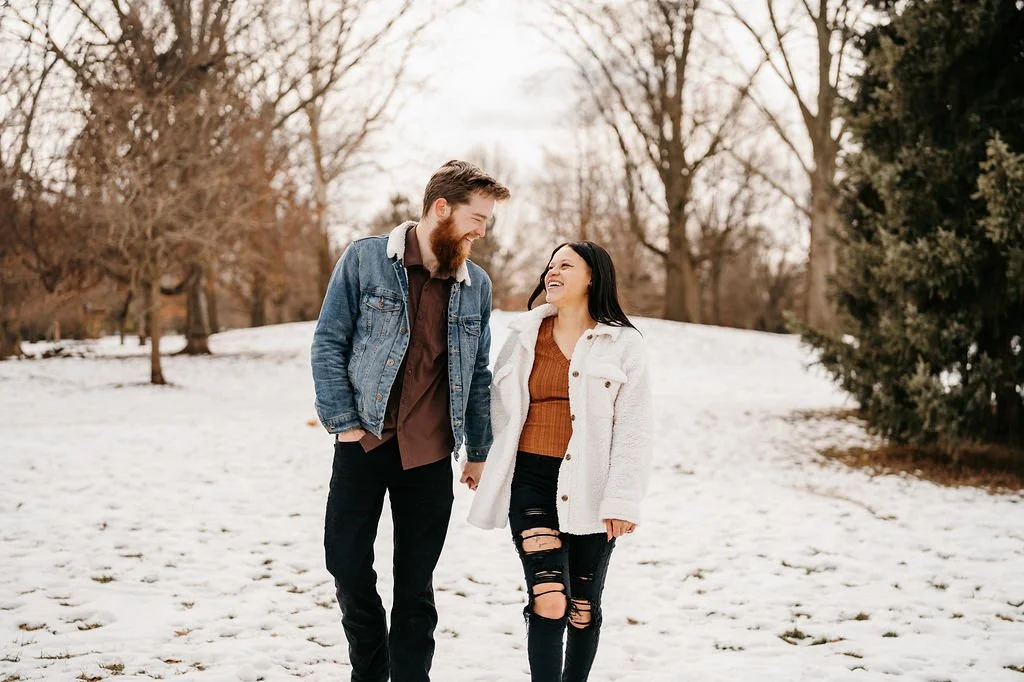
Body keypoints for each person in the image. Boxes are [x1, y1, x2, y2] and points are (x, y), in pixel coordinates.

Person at [311, 160, 510, 682]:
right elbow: (328, 342)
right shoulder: (365, 259)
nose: (481, 231)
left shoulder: (476, 285)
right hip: (364, 442)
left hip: (429, 454)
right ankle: (370, 670)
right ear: (441, 208)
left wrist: (478, 450)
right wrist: (344, 423)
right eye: (476, 218)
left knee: (415, 585)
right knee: (345, 564)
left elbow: (478, 372)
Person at [468, 241, 653, 681]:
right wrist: (479, 456)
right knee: (550, 599)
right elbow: (496, 405)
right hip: (530, 481)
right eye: (550, 265)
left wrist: (621, 500)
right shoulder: (524, 336)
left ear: (592, 277)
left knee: (582, 609)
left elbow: (634, 428)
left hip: (592, 487)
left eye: (566, 265)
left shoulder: (623, 344)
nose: (553, 271)